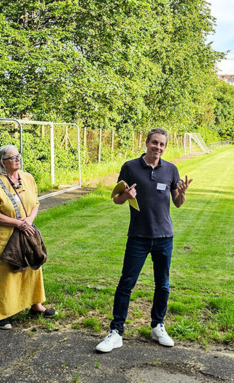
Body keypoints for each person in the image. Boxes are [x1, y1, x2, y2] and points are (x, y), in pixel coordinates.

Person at [96, 128, 193, 353]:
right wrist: (126, 196)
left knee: (163, 284)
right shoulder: (130, 167)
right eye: (154, 143)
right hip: (138, 236)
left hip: (164, 237)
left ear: (165, 147)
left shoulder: (171, 169)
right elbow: (116, 199)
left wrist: (183, 193)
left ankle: (158, 326)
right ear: (146, 143)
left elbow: (177, 203)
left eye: (162, 145)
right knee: (126, 283)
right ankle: (116, 332)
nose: (158, 148)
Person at [0, 145, 56, 330]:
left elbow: (36, 203)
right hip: (4, 237)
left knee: (33, 267)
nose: (17, 159)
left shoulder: (28, 178)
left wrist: (29, 221)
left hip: (26, 233)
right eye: (12, 157)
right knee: (5, 274)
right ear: (2, 162)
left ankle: (36, 306)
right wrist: (18, 223)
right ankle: (3, 315)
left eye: (18, 156)